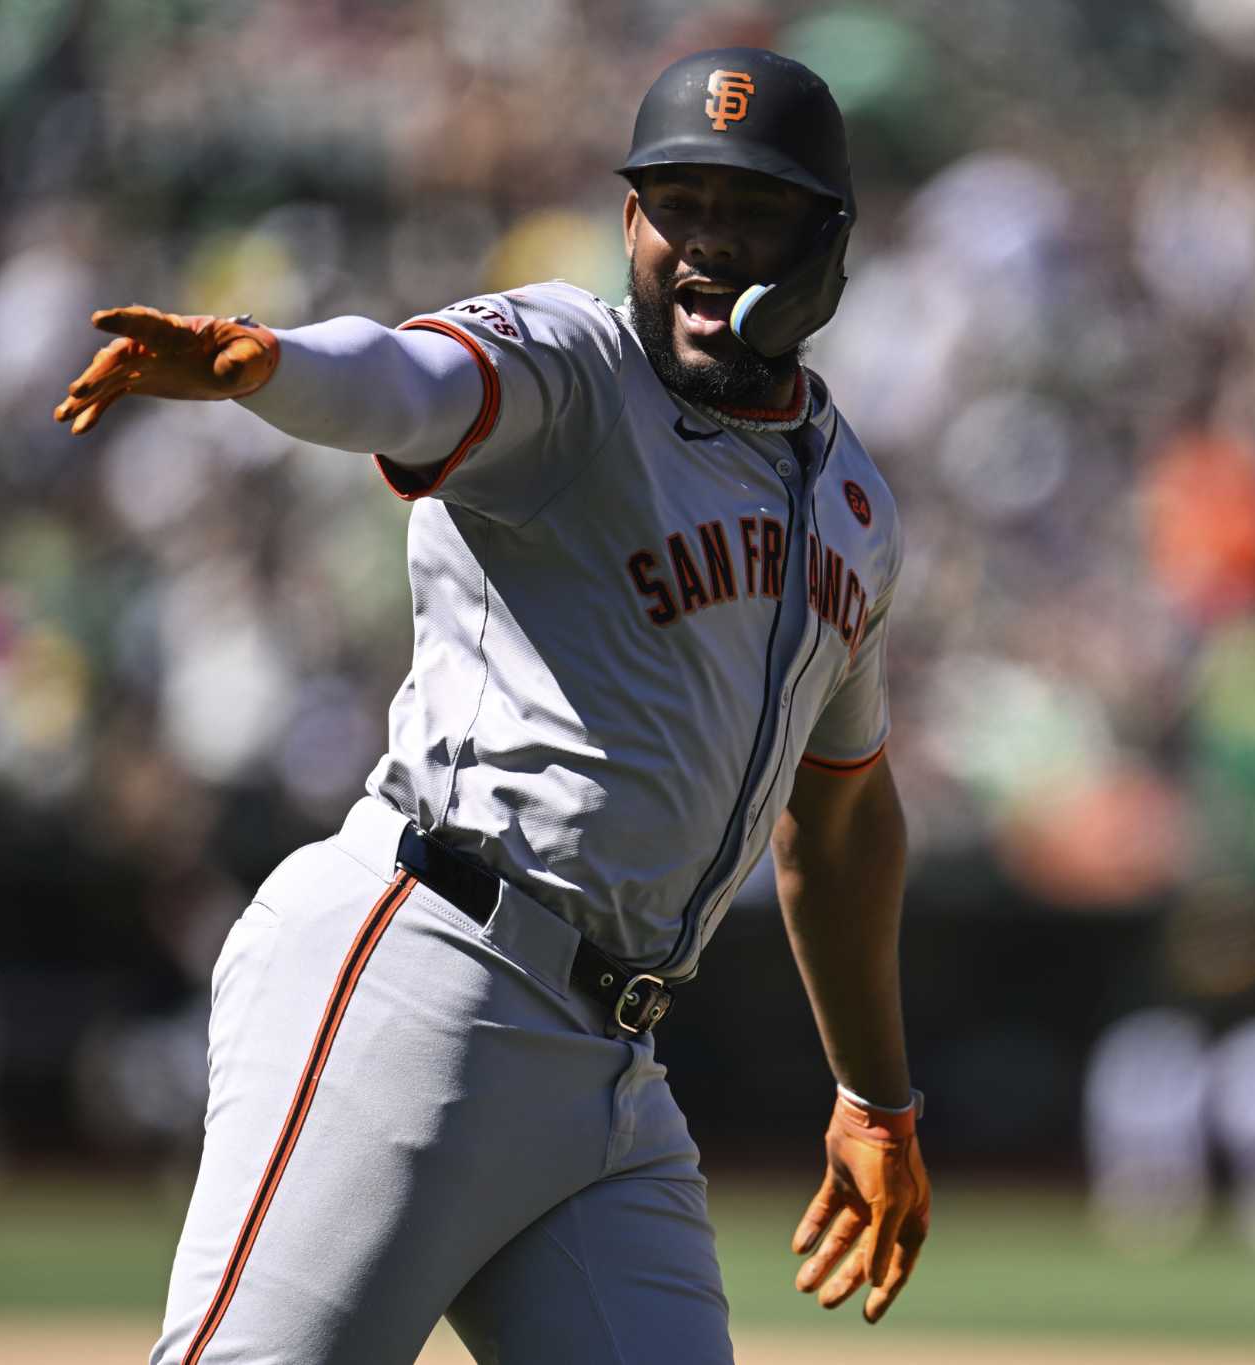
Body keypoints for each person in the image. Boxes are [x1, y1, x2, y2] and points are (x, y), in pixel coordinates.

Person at [53, 47, 927, 1365]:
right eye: (675, 205)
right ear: (628, 220)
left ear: (826, 243)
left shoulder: (853, 500)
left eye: (748, 213)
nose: (702, 244)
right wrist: (270, 365)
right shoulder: (575, 369)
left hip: (615, 1076)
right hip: (431, 973)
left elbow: (843, 820)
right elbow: (411, 380)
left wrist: (875, 1093)